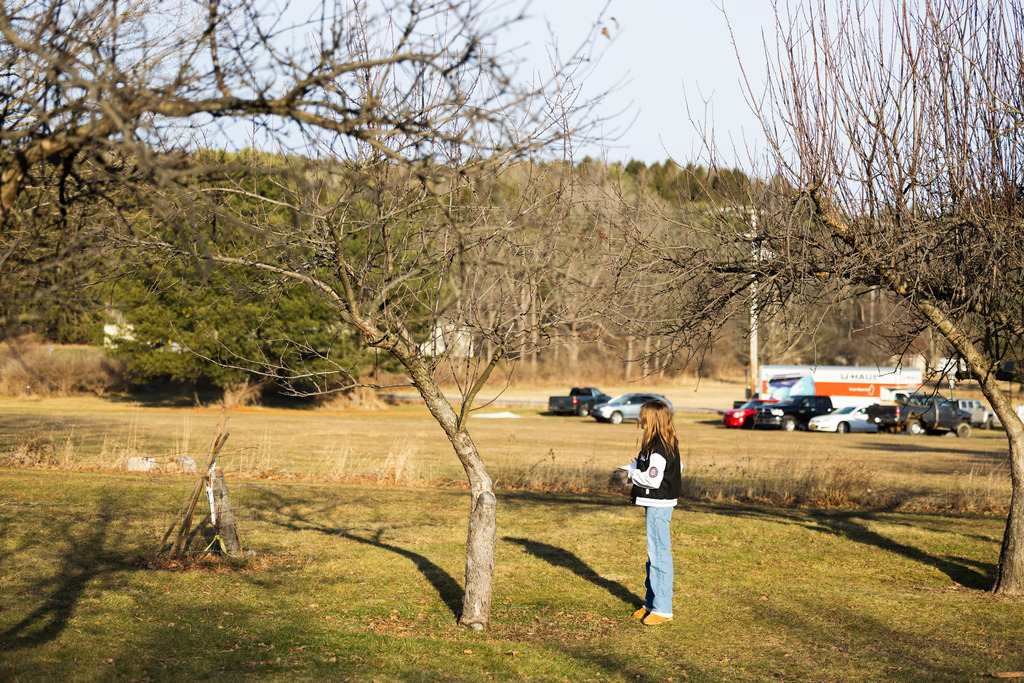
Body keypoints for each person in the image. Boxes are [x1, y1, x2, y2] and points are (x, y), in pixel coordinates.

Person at [617, 399, 682, 626]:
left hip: (658, 505)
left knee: (659, 556)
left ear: (652, 419)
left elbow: (654, 480)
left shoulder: (659, 446)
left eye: (643, 415)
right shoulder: (661, 443)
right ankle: (651, 602)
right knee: (654, 555)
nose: (640, 419)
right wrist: (635, 467)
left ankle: (663, 608)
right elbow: (676, 468)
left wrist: (632, 476)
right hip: (656, 504)